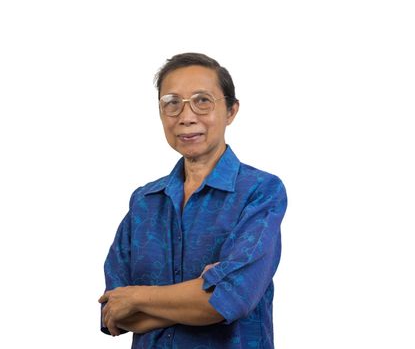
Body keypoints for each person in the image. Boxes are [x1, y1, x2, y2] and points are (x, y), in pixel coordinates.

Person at [98, 52, 287, 348]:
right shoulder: (144, 202)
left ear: (231, 111)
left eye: (202, 101)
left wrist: (137, 297)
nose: (186, 117)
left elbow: (230, 300)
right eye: (172, 103)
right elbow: (114, 312)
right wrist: (197, 296)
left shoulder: (260, 191)